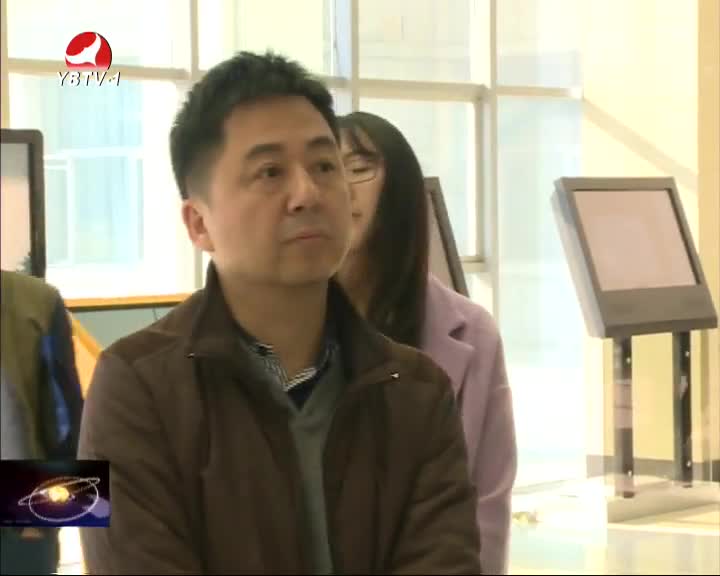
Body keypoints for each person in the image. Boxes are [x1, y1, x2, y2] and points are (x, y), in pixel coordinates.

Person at [77, 51, 482, 575]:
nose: (306, 193)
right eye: (269, 172)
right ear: (198, 224)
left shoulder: (416, 390)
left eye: (324, 166)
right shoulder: (137, 389)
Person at [335, 111, 518, 574]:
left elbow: (486, 510)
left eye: (358, 168)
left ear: (400, 188)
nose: (341, 188)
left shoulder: (472, 332)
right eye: (326, 170)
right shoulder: (285, 328)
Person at [1, 270, 84, 575]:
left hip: (21, 511)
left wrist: (47, 521)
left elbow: (65, 427)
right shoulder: (37, 299)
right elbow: (65, 426)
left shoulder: (38, 301)